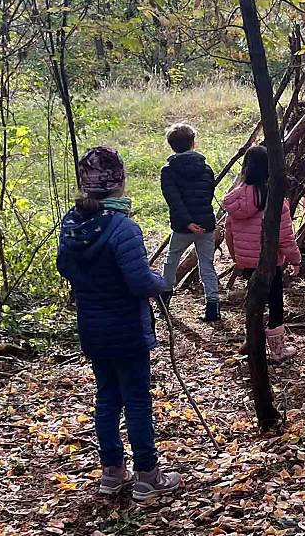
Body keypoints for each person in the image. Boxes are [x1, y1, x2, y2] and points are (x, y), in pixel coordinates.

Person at [56, 146, 181, 500]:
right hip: (126, 327)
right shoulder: (123, 227)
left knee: (107, 398)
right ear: (120, 182)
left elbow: (65, 266)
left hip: (93, 328)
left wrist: (94, 283)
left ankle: (111, 473)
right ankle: (147, 475)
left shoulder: (72, 222)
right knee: (137, 399)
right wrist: (161, 281)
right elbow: (139, 281)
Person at [222, 145, 302, 362]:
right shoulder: (275, 201)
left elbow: (229, 233)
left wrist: (237, 257)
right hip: (270, 262)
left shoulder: (235, 199)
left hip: (247, 261)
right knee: (275, 302)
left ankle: (253, 339)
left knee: (254, 299)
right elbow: (285, 237)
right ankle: (277, 351)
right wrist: (295, 259)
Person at [160, 123, 221, 322]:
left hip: (182, 226)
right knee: (207, 264)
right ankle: (213, 306)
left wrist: (187, 223)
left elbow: (174, 200)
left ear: (171, 146)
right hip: (206, 224)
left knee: (171, 259)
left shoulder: (168, 171)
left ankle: (164, 297)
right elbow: (207, 195)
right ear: (193, 143)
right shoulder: (206, 168)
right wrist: (199, 221)